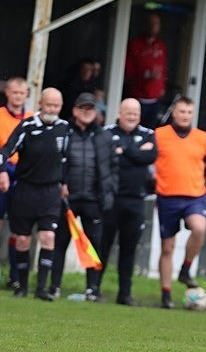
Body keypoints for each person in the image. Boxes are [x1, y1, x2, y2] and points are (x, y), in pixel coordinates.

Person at [0, 88, 70, 300]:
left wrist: (65, 183)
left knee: (48, 237)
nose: (52, 110)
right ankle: (21, 285)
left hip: (50, 192)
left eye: (56, 106)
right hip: (25, 189)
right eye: (49, 105)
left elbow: (67, 159)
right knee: (22, 239)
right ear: (40, 104)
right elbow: (5, 152)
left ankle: (42, 288)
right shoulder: (27, 126)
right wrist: (2, 172)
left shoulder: (64, 128)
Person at [50, 93, 118, 301]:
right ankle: (54, 287)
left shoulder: (104, 137)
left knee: (94, 245)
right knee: (60, 243)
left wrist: (107, 193)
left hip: (93, 201)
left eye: (91, 108)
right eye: (83, 108)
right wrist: (60, 183)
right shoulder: (64, 132)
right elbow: (54, 161)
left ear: (96, 112)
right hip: (67, 200)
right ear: (75, 111)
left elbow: (113, 168)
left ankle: (92, 290)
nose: (87, 112)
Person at [154, 96, 206, 309]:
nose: (185, 116)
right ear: (174, 112)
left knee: (199, 227)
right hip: (167, 196)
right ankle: (165, 295)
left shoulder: (202, 137)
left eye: (189, 112)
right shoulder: (159, 135)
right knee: (167, 247)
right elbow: (148, 161)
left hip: (194, 196)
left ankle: (185, 269)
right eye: (182, 111)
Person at [98, 98, 157, 306]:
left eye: (136, 113)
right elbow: (106, 158)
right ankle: (93, 288)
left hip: (136, 201)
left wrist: (125, 151)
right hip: (110, 200)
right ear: (119, 113)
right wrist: (137, 152)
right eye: (128, 112)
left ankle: (125, 293)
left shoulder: (149, 134)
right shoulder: (106, 133)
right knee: (102, 246)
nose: (132, 116)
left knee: (129, 248)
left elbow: (150, 156)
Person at [0, 77, 33, 289]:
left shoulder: (31, 119)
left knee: (18, 227)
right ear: (7, 93)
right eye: (15, 92)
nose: (18, 96)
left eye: (22, 93)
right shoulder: (0, 116)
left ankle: (15, 276)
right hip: (3, 171)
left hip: (23, 175)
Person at [125, 12, 168, 129]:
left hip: (155, 98)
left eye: (156, 23)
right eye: (151, 23)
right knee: (133, 129)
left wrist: (162, 87)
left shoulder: (161, 45)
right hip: (138, 97)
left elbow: (163, 68)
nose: (153, 26)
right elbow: (127, 70)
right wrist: (146, 74)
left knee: (149, 131)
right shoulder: (135, 44)